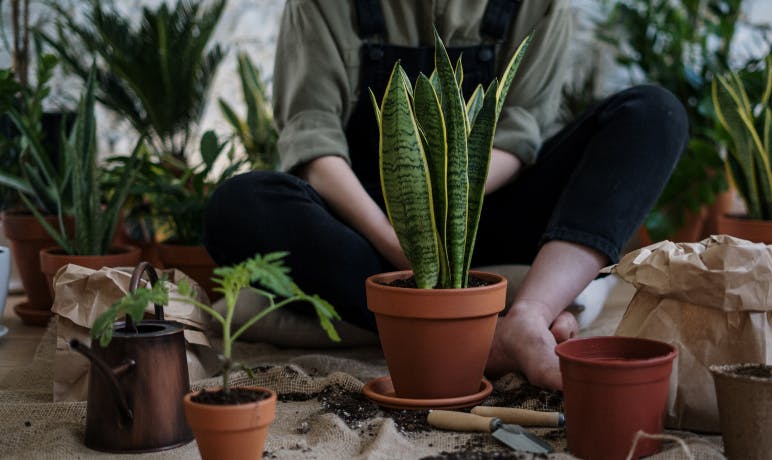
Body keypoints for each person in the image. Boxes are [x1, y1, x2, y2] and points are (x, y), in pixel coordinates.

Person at [204, 0, 687, 390]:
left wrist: (452, 210)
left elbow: (520, 136)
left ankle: (527, 317)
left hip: (489, 210)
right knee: (239, 205)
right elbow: (313, 141)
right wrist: (402, 241)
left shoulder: (539, 6)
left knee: (654, 113)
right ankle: (475, 331)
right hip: (372, 233)